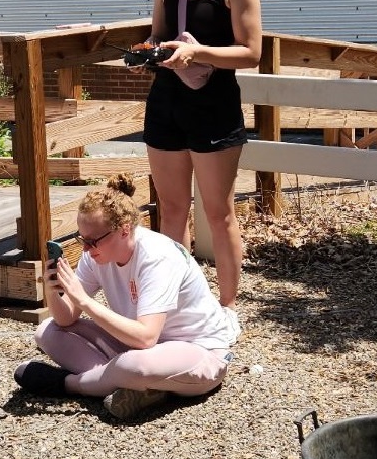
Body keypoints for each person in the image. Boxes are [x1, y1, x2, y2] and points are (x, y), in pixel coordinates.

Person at [140, 0, 262, 341]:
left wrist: (198, 51)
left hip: (214, 106)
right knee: (171, 210)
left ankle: (227, 309)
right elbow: (157, 35)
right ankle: (174, 305)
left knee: (218, 213)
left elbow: (251, 52)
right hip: (167, 102)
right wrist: (149, 53)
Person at [13, 175, 235, 420]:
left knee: (133, 365)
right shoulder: (95, 254)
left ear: (124, 230)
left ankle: (71, 385)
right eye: (81, 239)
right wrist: (53, 289)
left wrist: (84, 300)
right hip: (138, 348)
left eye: (92, 241)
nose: (85, 248)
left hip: (198, 352)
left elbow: (146, 337)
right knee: (47, 331)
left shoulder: (156, 257)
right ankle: (135, 386)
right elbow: (65, 321)